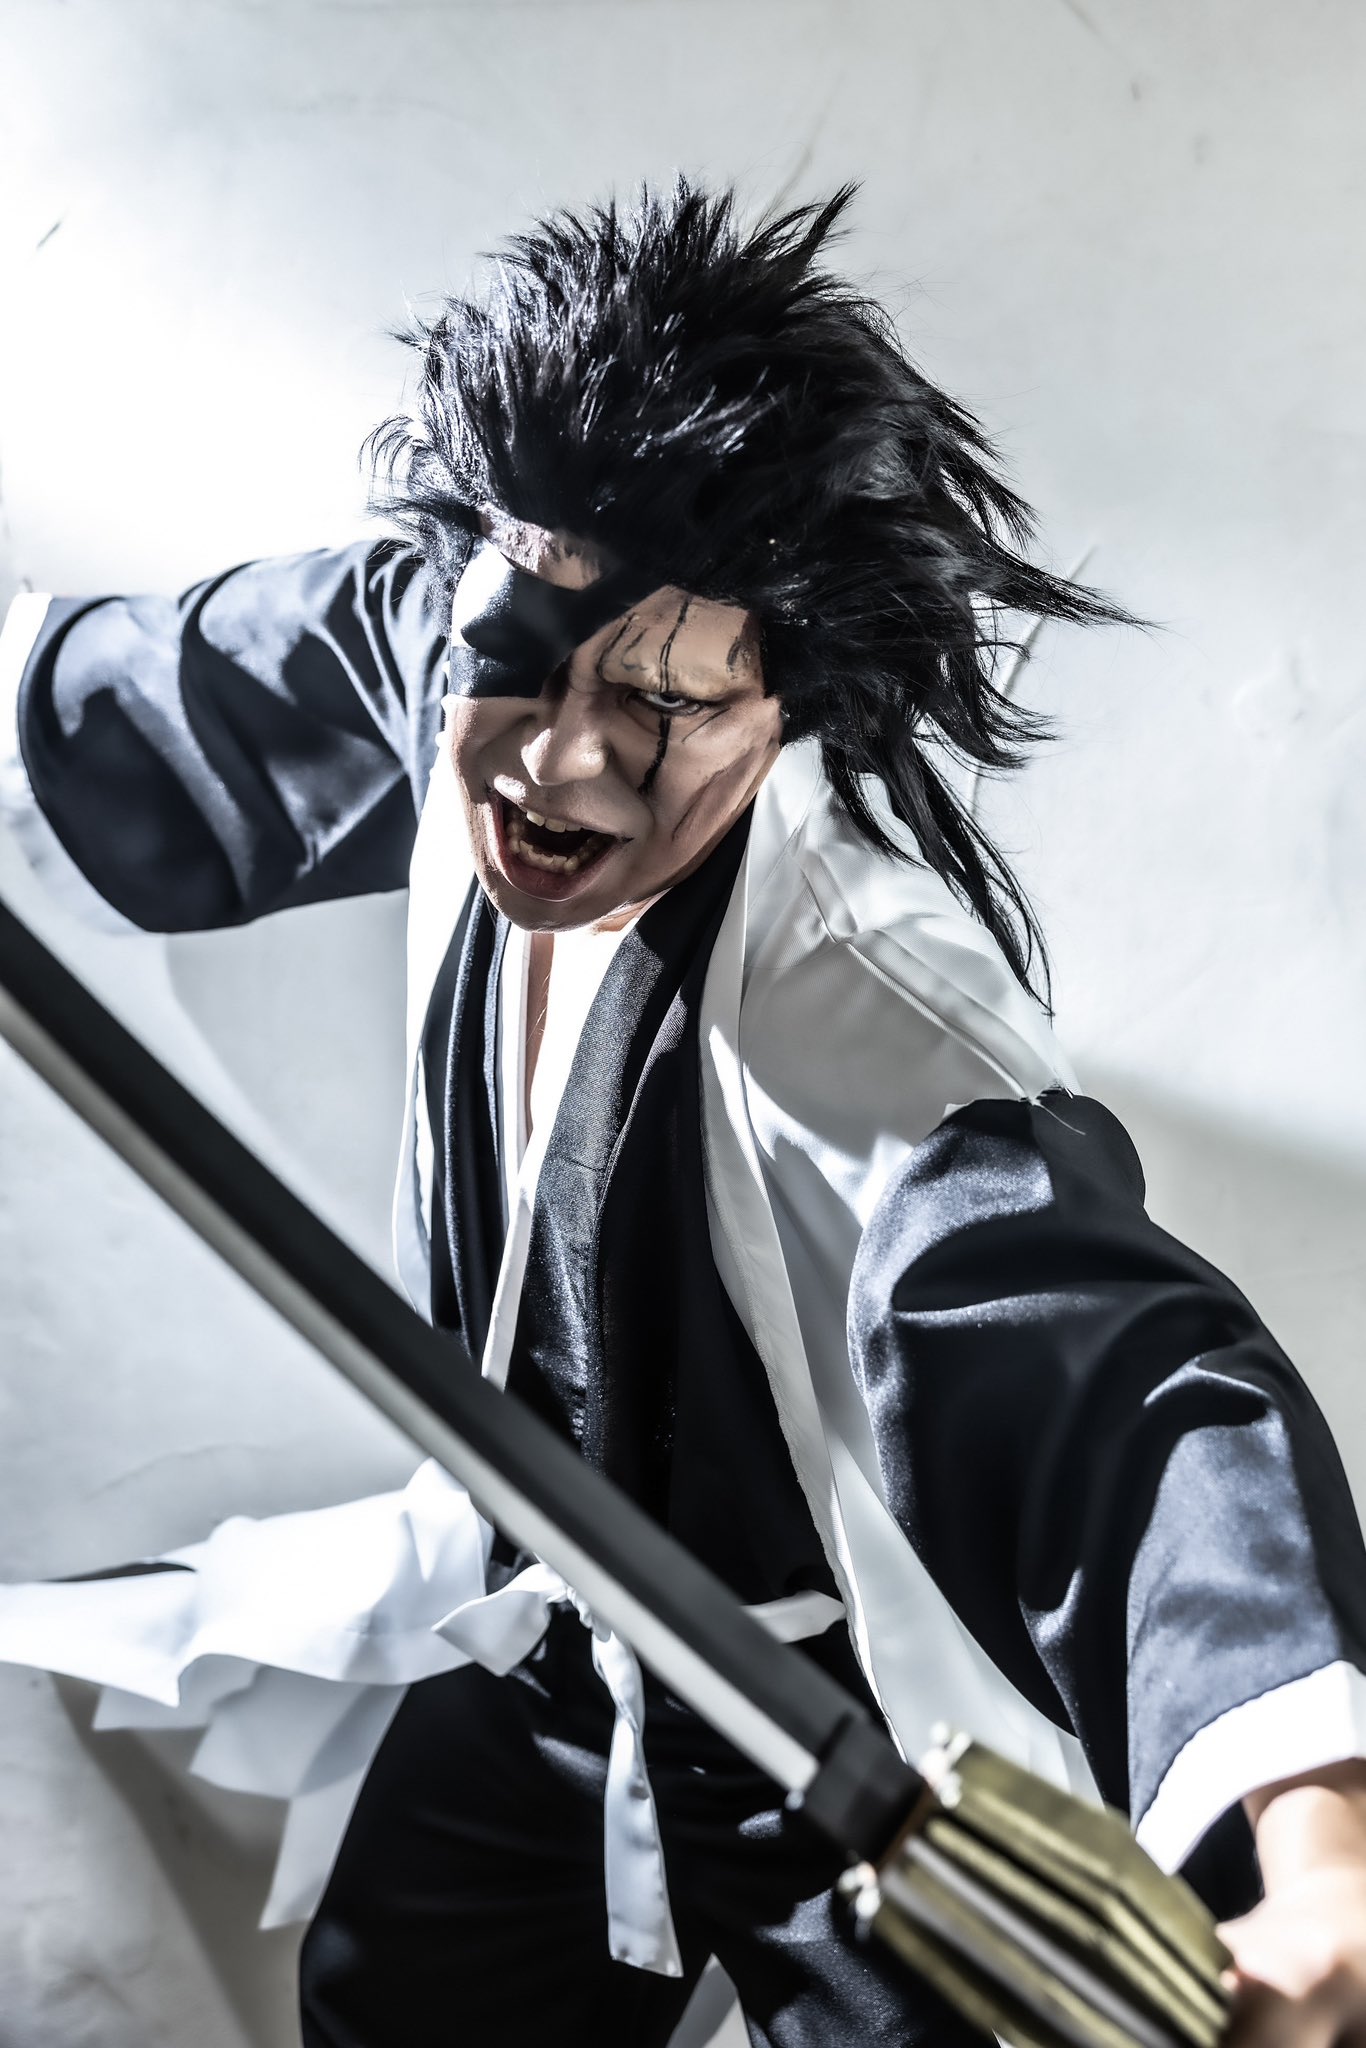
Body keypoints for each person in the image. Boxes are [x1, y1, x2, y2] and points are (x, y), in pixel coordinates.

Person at [3, 180, 1366, 2048]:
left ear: (781, 706)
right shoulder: (455, 654)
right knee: (391, 2005)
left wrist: (1327, 1868)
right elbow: (130, 701)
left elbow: (1136, 1411)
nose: (557, 757)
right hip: (556, 1653)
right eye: (517, 654)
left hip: (846, 1751)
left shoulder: (864, 1023)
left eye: (659, 700)